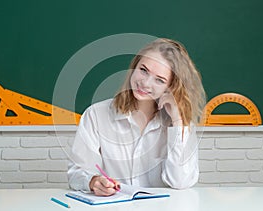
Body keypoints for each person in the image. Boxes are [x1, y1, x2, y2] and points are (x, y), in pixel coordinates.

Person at [68, 38, 206, 196]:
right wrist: (93, 181)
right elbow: (76, 174)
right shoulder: (96, 115)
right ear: (134, 67)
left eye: (159, 80)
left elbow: (181, 182)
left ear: (172, 87)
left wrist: (177, 119)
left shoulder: (180, 126)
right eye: (143, 70)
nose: (145, 83)